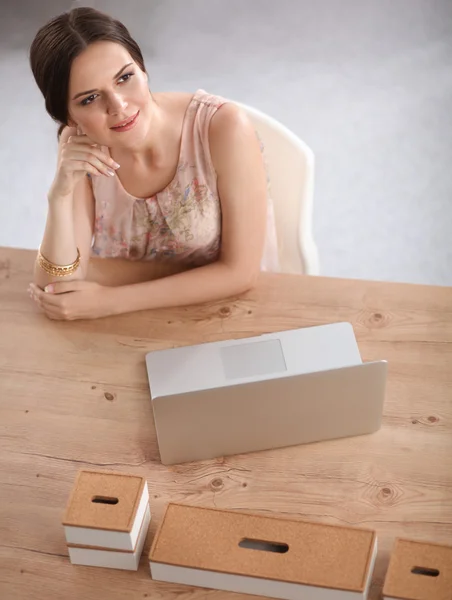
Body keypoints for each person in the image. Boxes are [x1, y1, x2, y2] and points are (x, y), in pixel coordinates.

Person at [28, 7, 279, 321]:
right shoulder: (80, 146)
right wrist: (60, 195)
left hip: (225, 312)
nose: (119, 106)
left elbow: (241, 273)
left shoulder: (222, 127)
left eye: (125, 77)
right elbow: (57, 288)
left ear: (143, 70)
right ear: (67, 116)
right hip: (134, 324)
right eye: (90, 98)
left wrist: (109, 301)